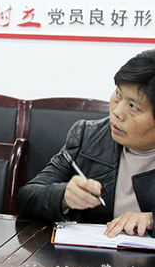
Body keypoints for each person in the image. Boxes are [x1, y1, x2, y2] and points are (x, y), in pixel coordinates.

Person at [17, 49, 155, 238]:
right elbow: (27, 197)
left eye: (134, 107)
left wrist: (152, 219)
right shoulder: (88, 137)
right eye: (118, 94)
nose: (117, 112)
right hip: (97, 254)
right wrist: (63, 197)